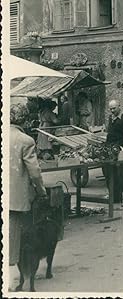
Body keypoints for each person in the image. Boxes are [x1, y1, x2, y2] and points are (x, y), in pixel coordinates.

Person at [9, 104, 46, 285]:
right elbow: (34, 172)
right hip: (16, 199)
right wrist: (41, 191)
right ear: (24, 120)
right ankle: (19, 279)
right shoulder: (25, 140)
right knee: (18, 240)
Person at [102, 99, 123, 206]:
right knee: (110, 173)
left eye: (114, 108)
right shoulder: (111, 118)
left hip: (121, 149)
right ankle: (116, 197)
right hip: (111, 148)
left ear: (119, 106)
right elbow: (110, 135)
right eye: (110, 109)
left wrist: (118, 146)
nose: (112, 111)